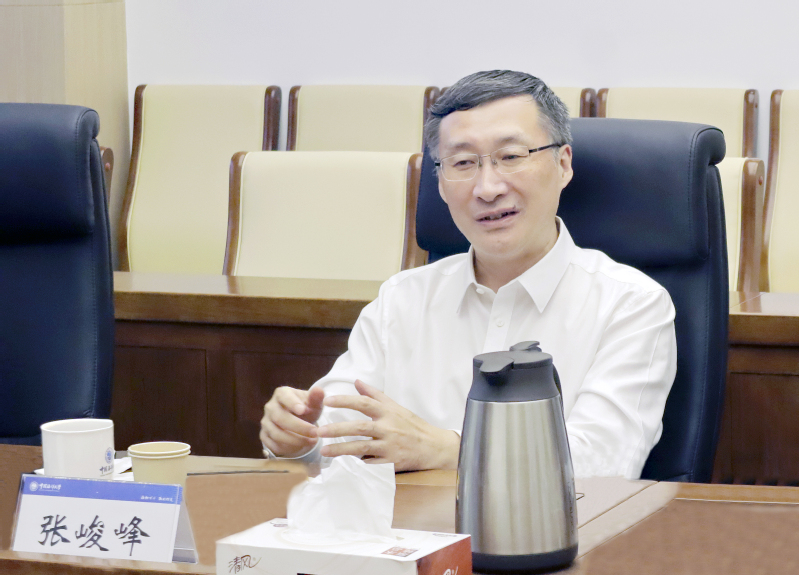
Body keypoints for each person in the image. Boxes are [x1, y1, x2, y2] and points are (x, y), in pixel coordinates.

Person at [260, 70, 677, 479]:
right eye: (462, 163)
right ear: (440, 184)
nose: (488, 188)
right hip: (404, 524)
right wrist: (299, 438)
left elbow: (605, 462)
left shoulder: (630, 304)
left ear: (563, 164)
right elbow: (335, 433)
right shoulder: (402, 300)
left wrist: (447, 449)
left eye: (511, 157)